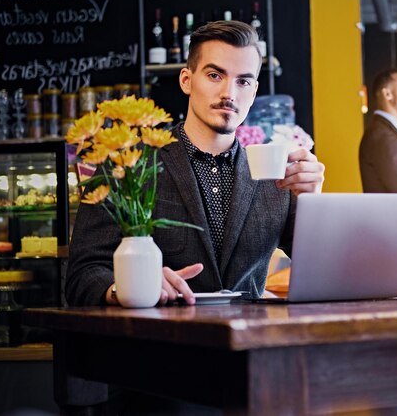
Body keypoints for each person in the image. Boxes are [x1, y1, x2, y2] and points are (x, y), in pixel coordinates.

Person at [66, 20, 325, 307]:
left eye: (243, 81)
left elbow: (322, 272)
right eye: (215, 75)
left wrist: (312, 202)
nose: (229, 93)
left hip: (252, 345)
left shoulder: (277, 177)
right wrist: (128, 287)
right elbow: (81, 276)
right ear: (186, 80)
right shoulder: (126, 163)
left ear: (253, 91)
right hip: (162, 342)